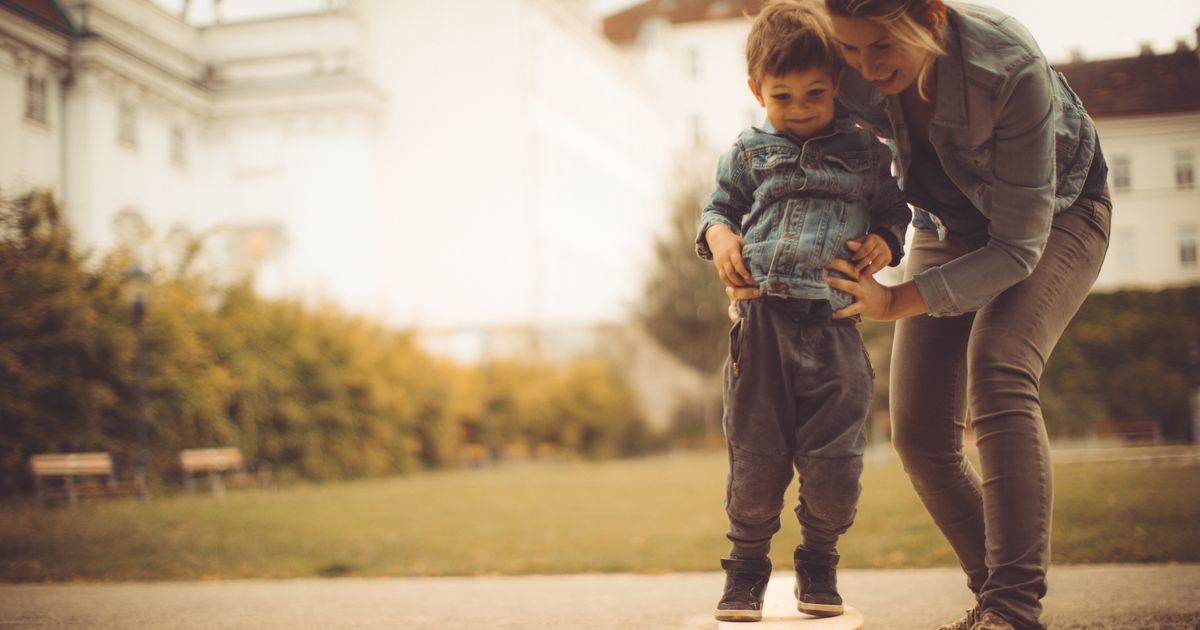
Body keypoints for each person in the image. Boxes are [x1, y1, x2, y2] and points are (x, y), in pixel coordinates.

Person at [728, 1, 1111, 628]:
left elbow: (1017, 246)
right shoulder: (843, 52)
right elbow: (799, 153)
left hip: (1058, 215)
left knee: (1000, 368)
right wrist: (745, 250)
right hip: (947, 219)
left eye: (880, 49)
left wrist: (895, 299)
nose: (863, 68)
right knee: (918, 433)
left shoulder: (1007, 68)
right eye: (849, 52)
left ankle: (1012, 612)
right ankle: (996, 598)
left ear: (930, 17)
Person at [695, 0, 911, 622]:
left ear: (837, 84)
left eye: (814, 93)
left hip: (835, 329)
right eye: (782, 96)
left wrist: (886, 242)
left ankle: (818, 559)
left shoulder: (867, 154)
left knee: (835, 466)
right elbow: (718, 212)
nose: (799, 108)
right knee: (757, 460)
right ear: (756, 90)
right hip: (760, 329)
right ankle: (745, 570)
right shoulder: (746, 153)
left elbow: (896, 213)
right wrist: (719, 239)